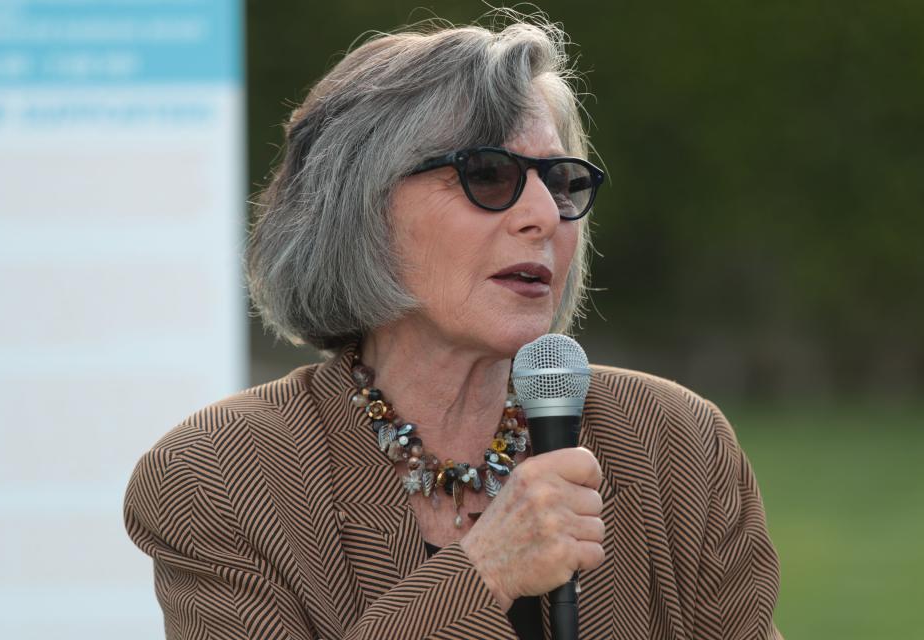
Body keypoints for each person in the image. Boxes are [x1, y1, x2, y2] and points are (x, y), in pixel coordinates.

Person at [124, 12, 782, 640]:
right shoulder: (219, 475)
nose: (544, 216)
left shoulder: (675, 443)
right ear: (360, 208)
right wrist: (485, 571)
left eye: (559, 182)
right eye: (489, 175)